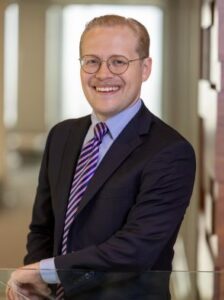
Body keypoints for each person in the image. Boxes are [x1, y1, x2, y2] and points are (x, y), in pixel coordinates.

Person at [6, 14, 196, 300]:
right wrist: (38, 280)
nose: (103, 74)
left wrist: (45, 271)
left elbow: (135, 249)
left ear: (145, 68)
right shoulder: (61, 135)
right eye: (91, 61)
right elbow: (43, 227)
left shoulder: (170, 152)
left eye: (118, 61)